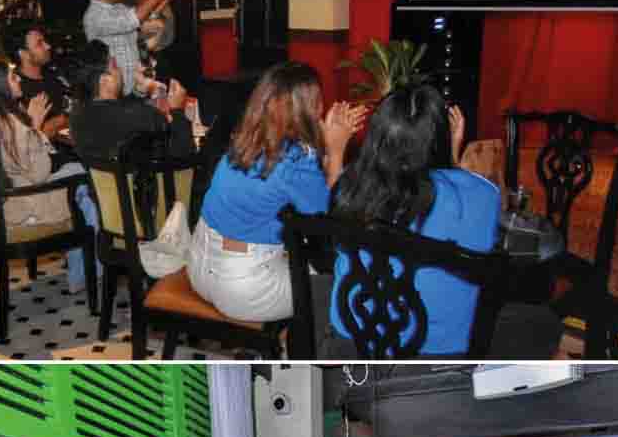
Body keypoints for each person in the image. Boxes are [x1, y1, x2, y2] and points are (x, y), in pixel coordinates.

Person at [324, 84, 562, 358]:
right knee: (544, 322)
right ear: (442, 138)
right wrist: (453, 157)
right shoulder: (483, 194)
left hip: (354, 339)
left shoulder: (350, 188)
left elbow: (336, 214)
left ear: (377, 136)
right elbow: (465, 204)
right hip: (440, 353)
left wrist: (335, 152)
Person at [189, 61, 363, 323]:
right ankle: (307, 351)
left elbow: (305, 187)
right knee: (344, 279)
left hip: (199, 268)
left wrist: (325, 146)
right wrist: (336, 151)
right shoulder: (294, 160)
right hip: (244, 288)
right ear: (306, 108)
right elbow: (324, 219)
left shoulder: (244, 141)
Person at [0, 62, 95, 293]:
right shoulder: (11, 125)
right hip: (20, 212)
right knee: (85, 187)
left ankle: (84, 270)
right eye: (12, 77)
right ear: (0, 87)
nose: (18, 78)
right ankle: (89, 272)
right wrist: (34, 128)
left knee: (76, 172)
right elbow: (40, 173)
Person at [69, 40, 194, 162]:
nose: (120, 71)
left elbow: (117, 113)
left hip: (103, 183)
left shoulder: (76, 115)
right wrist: (177, 110)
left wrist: (138, 92)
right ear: (105, 80)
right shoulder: (145, 116)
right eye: (115, 67)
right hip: (151, 181)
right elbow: (184, 154)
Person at [83, 0, 186, 97]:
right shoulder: (95, 15)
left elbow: (146, 20)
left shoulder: (119, 8)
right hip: (113, 93)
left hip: (135, 90)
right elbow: (133, 20)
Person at [2, 19, 69, 139]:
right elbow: (23, 140)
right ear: (23, 53)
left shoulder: (55, 74)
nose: (48, 46)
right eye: (39, 43)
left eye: (45, 41)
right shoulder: (16, 89)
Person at [124, 0, 176, 81]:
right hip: (136, 66)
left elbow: (167, 37)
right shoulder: (127, 10)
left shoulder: (164, 6)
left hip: (161, 61)